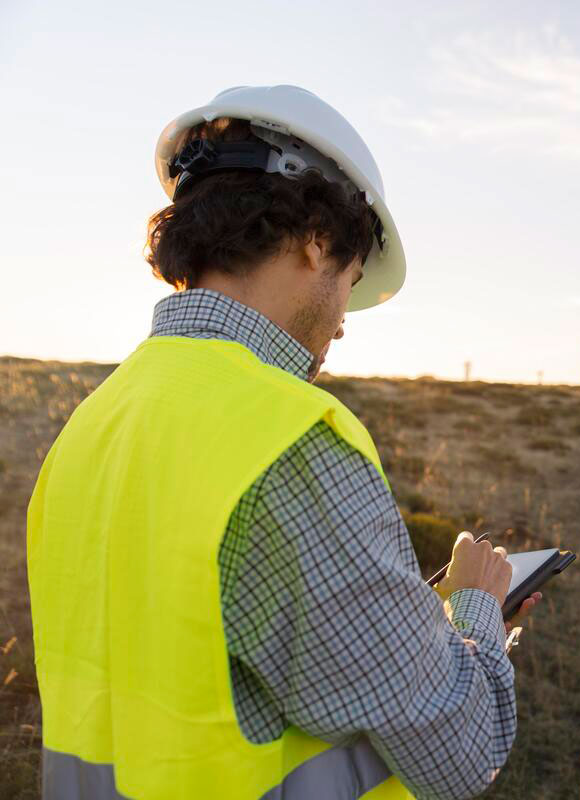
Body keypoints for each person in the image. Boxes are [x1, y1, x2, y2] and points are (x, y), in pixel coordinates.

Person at [26, 85, 537, 800]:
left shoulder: (89, 427)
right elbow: (459, 752)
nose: (342, 324)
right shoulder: (287, 443)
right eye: (350, 282)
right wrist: (477, 609)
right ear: (319, 239)